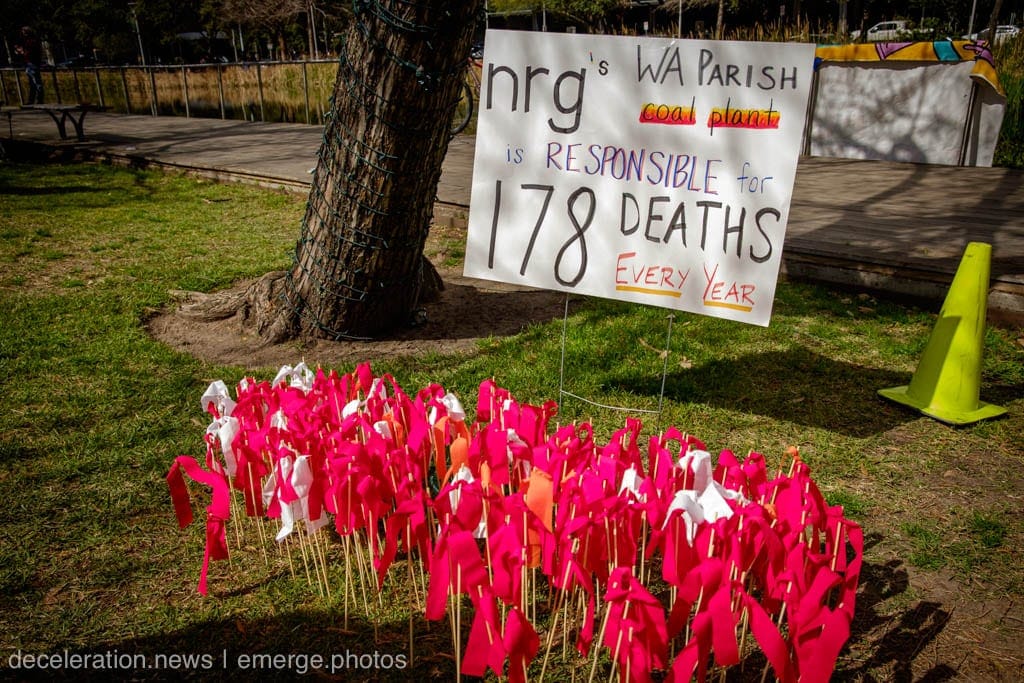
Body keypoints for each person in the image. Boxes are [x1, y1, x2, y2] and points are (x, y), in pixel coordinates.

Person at [15, 26, 44, 105]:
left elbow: (29, 52)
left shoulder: (31, 41)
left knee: (36, 83)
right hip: (30, 63)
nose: (23, 35)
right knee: (33, 83)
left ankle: (38, 100)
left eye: (24, 33)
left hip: (32, 63)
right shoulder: (33, 40)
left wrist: (21, 52)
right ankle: (33, 100)